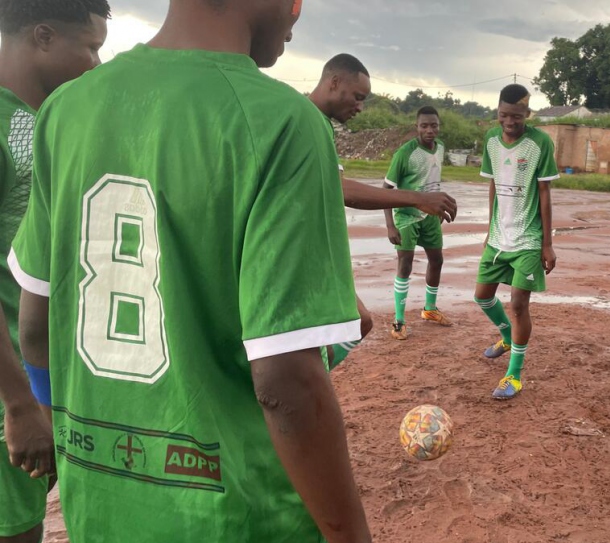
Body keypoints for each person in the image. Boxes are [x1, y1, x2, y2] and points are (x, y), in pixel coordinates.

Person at [8, 1, 371, 541]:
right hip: (238, 517)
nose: (298, 15)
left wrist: (66, 437)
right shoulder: (281, 120)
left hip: (100, 507)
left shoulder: (66, 109)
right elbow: (285, 380)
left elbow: (34, 326)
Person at [0, 3, 109, 541]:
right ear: (42, 36)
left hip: (42, 380)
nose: (95, 62)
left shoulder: (50, 123)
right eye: (91, 48)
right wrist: (19, 405)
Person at [308, 54, 457, 364]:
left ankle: (313, 378)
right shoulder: (307, 120)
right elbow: (340, 190)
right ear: (334, 82)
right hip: (299, 256)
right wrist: (416, 199)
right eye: (358, 97)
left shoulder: (320, 125)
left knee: (361, 321)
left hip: (321, 252)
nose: (361, 107)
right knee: (311, 344)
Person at [474, 84, 558, 400]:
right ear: (498, 113)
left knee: (518, 305)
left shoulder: (540, 143)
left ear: (527, 113)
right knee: (482, 297)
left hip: (528, 239)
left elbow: (546, 194)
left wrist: (547, 244)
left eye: (516, 116)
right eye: (503, 116)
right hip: (499, 238)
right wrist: (489, 227)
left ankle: (514, 375)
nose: (509, 122)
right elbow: (494, 184)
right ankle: (506, 335)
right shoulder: (491, 140)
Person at [384, 106, 452, 340]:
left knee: (437, 260)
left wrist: (438, 206)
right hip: (406, 217)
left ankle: (430, 310)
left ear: (439, 125)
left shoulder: (441, 147)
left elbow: (433, 181)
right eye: (424, 125)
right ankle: (399, 321)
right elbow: (387, 190)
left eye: (434, 125)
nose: (430, 130)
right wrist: (390, 225)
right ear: (417, 127)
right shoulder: (405, 153)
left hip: (430, 217)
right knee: (406, 264)